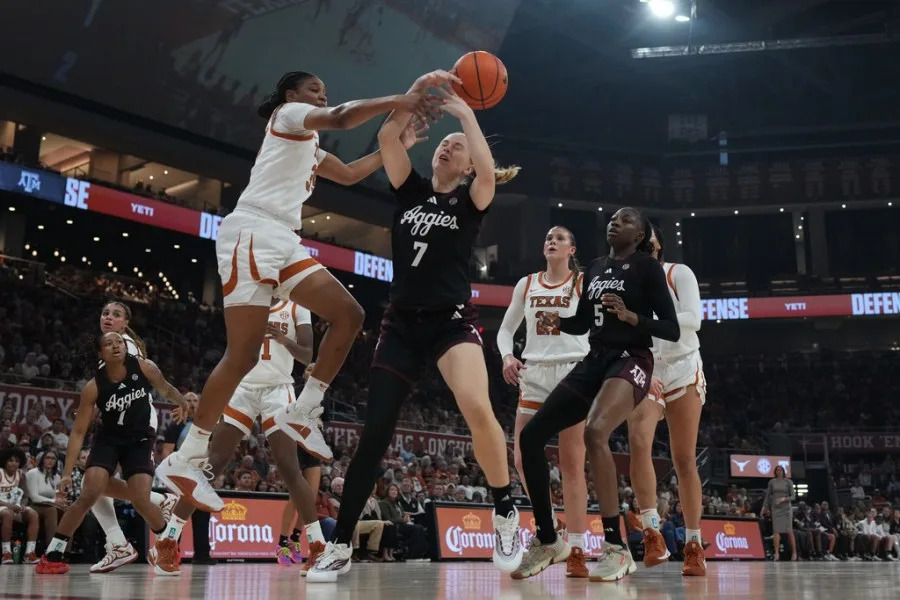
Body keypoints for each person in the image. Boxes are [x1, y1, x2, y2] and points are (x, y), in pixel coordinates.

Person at [156, 69, 439, 514]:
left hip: (283, 237)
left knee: (350, 314)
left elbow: (347, 174)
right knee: (242, 355)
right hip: (252, 229)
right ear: (292, 95)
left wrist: (397, 148)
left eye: (324, 92)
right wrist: (402, 100)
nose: (322, 96)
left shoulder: (309, 147)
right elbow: (344, 118)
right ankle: (187, 458)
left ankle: (304, 408)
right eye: (315, 90)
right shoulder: (289, 116)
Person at [308, 70, 524, 583]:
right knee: (375, 432)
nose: (448, 148)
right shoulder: (410, 190)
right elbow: (386, 138)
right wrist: (415, 89)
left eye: (457, 146)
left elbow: (490, 177)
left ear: (471, 163)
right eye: (444, 143)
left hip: (451, 321)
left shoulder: (471, 201)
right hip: (401, 323)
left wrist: (465, 113)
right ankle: (339, 545)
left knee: (476, 406)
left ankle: (506, 511)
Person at [512, 207, 679, 582]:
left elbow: (671, 328)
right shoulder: (597, 269)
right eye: (613, 218)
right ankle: (548, 538)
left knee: (594, 432)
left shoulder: (646, 267)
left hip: (632, 359)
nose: (615, 222)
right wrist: (554, 319)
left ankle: (616, 549)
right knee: (531, 437)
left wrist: (631, 317)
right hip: (596, 359)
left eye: (626, 220)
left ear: (639, 235)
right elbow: (584, 321)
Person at [152, 300, 319, 576]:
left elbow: (306, 353)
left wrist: (282, 339)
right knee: (211, 464)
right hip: (245, 387)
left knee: (290, 467)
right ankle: (169, 539)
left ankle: (317, 547)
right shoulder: (249, 299)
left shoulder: (298, 307)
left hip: (279, 389)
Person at [36, 332, 190, 574]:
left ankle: (166, 545)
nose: (115, 346)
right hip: (109, 439)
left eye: (118, 342)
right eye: (108, 344)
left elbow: (165, 388)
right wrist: (67, 473)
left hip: (139, 440)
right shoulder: (93, 387)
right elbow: (78, 432)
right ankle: (53, 553)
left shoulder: (144, 367)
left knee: (140, 498)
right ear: (101, 354)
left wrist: (183, 402)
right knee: (89, 492)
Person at [497, 225, 590, 577]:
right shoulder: (527, 283)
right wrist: (508, 356)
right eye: (548, 238)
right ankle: (550, 529)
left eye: (560, 238)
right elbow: (506, 329)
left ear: (571, 249)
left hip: (571, 371)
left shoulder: (581, 284)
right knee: (522, 456)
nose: (551, 241)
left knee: (571, 464)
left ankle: (578, 548)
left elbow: (590, 329)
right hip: (534, 373)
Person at [624, 224, 707, 576]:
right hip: (647, 366)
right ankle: (652, 531)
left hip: (683, 365)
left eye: (648, 237)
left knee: (684, 458)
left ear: (657, 244)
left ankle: (693, 543)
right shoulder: (625, 283)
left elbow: (694, 319)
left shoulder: (678, 273)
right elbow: (620, 331)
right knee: (638, 441)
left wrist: (646, 321)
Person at [89, 301, 177, 574]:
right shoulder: (110, 346)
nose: (108, 317)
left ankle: (120, 543)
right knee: (94, 486)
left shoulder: (121, 345)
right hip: (121, 423)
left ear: (125, 323)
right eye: (105, 312)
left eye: (116, 315)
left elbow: (132, 387)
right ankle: (155, 504)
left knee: (93, 487)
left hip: (133, 426)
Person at [277, 363, 327, 568]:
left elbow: (326, 420)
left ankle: (296, 538)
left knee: (311, 497)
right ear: (303, 374)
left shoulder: (324, 396)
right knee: (295, 498)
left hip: (313, 447)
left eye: (316, 368)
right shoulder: (293, 392)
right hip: (294, 446)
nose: (313, 371)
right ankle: (282, 542)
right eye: (308, 369)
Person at [0, 447, 40, 564]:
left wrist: (22, 505)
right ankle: (6, 553)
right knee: (7, 514)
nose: (14, 463)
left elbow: (25, 496)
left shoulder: (21, 475)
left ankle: (29, 553)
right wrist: (10, 506)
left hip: (13, 506)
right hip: (3, 506)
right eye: (11, 460)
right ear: (4, 461)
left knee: (33, 513)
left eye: (17, 461)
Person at [25, 450, 65, 551]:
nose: (50, 461)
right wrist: (54, 502)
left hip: (49, 505)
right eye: (48, 458)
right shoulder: (33, 473)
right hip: (32, 505)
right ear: (42, 460)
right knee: (51, 511)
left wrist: (61, 500)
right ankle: (51, 550)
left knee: (67, 512)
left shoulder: (56, 477)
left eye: (53, 459)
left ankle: (64, 551)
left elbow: (56, 496)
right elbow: (34, 497)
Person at [763, 465, 796, 561]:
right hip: (776, 508)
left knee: (789, 531)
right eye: (777, 470)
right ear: (775, 471)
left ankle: (794, 552)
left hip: (786, 508)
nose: (779, 471)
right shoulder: (772, 482)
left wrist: (784, 498)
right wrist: (764, 507)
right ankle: (776, 553)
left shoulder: (788, 482)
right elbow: (768, 496)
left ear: (783, 471)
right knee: (776, 531)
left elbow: (793, 496)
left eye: (780, 470)